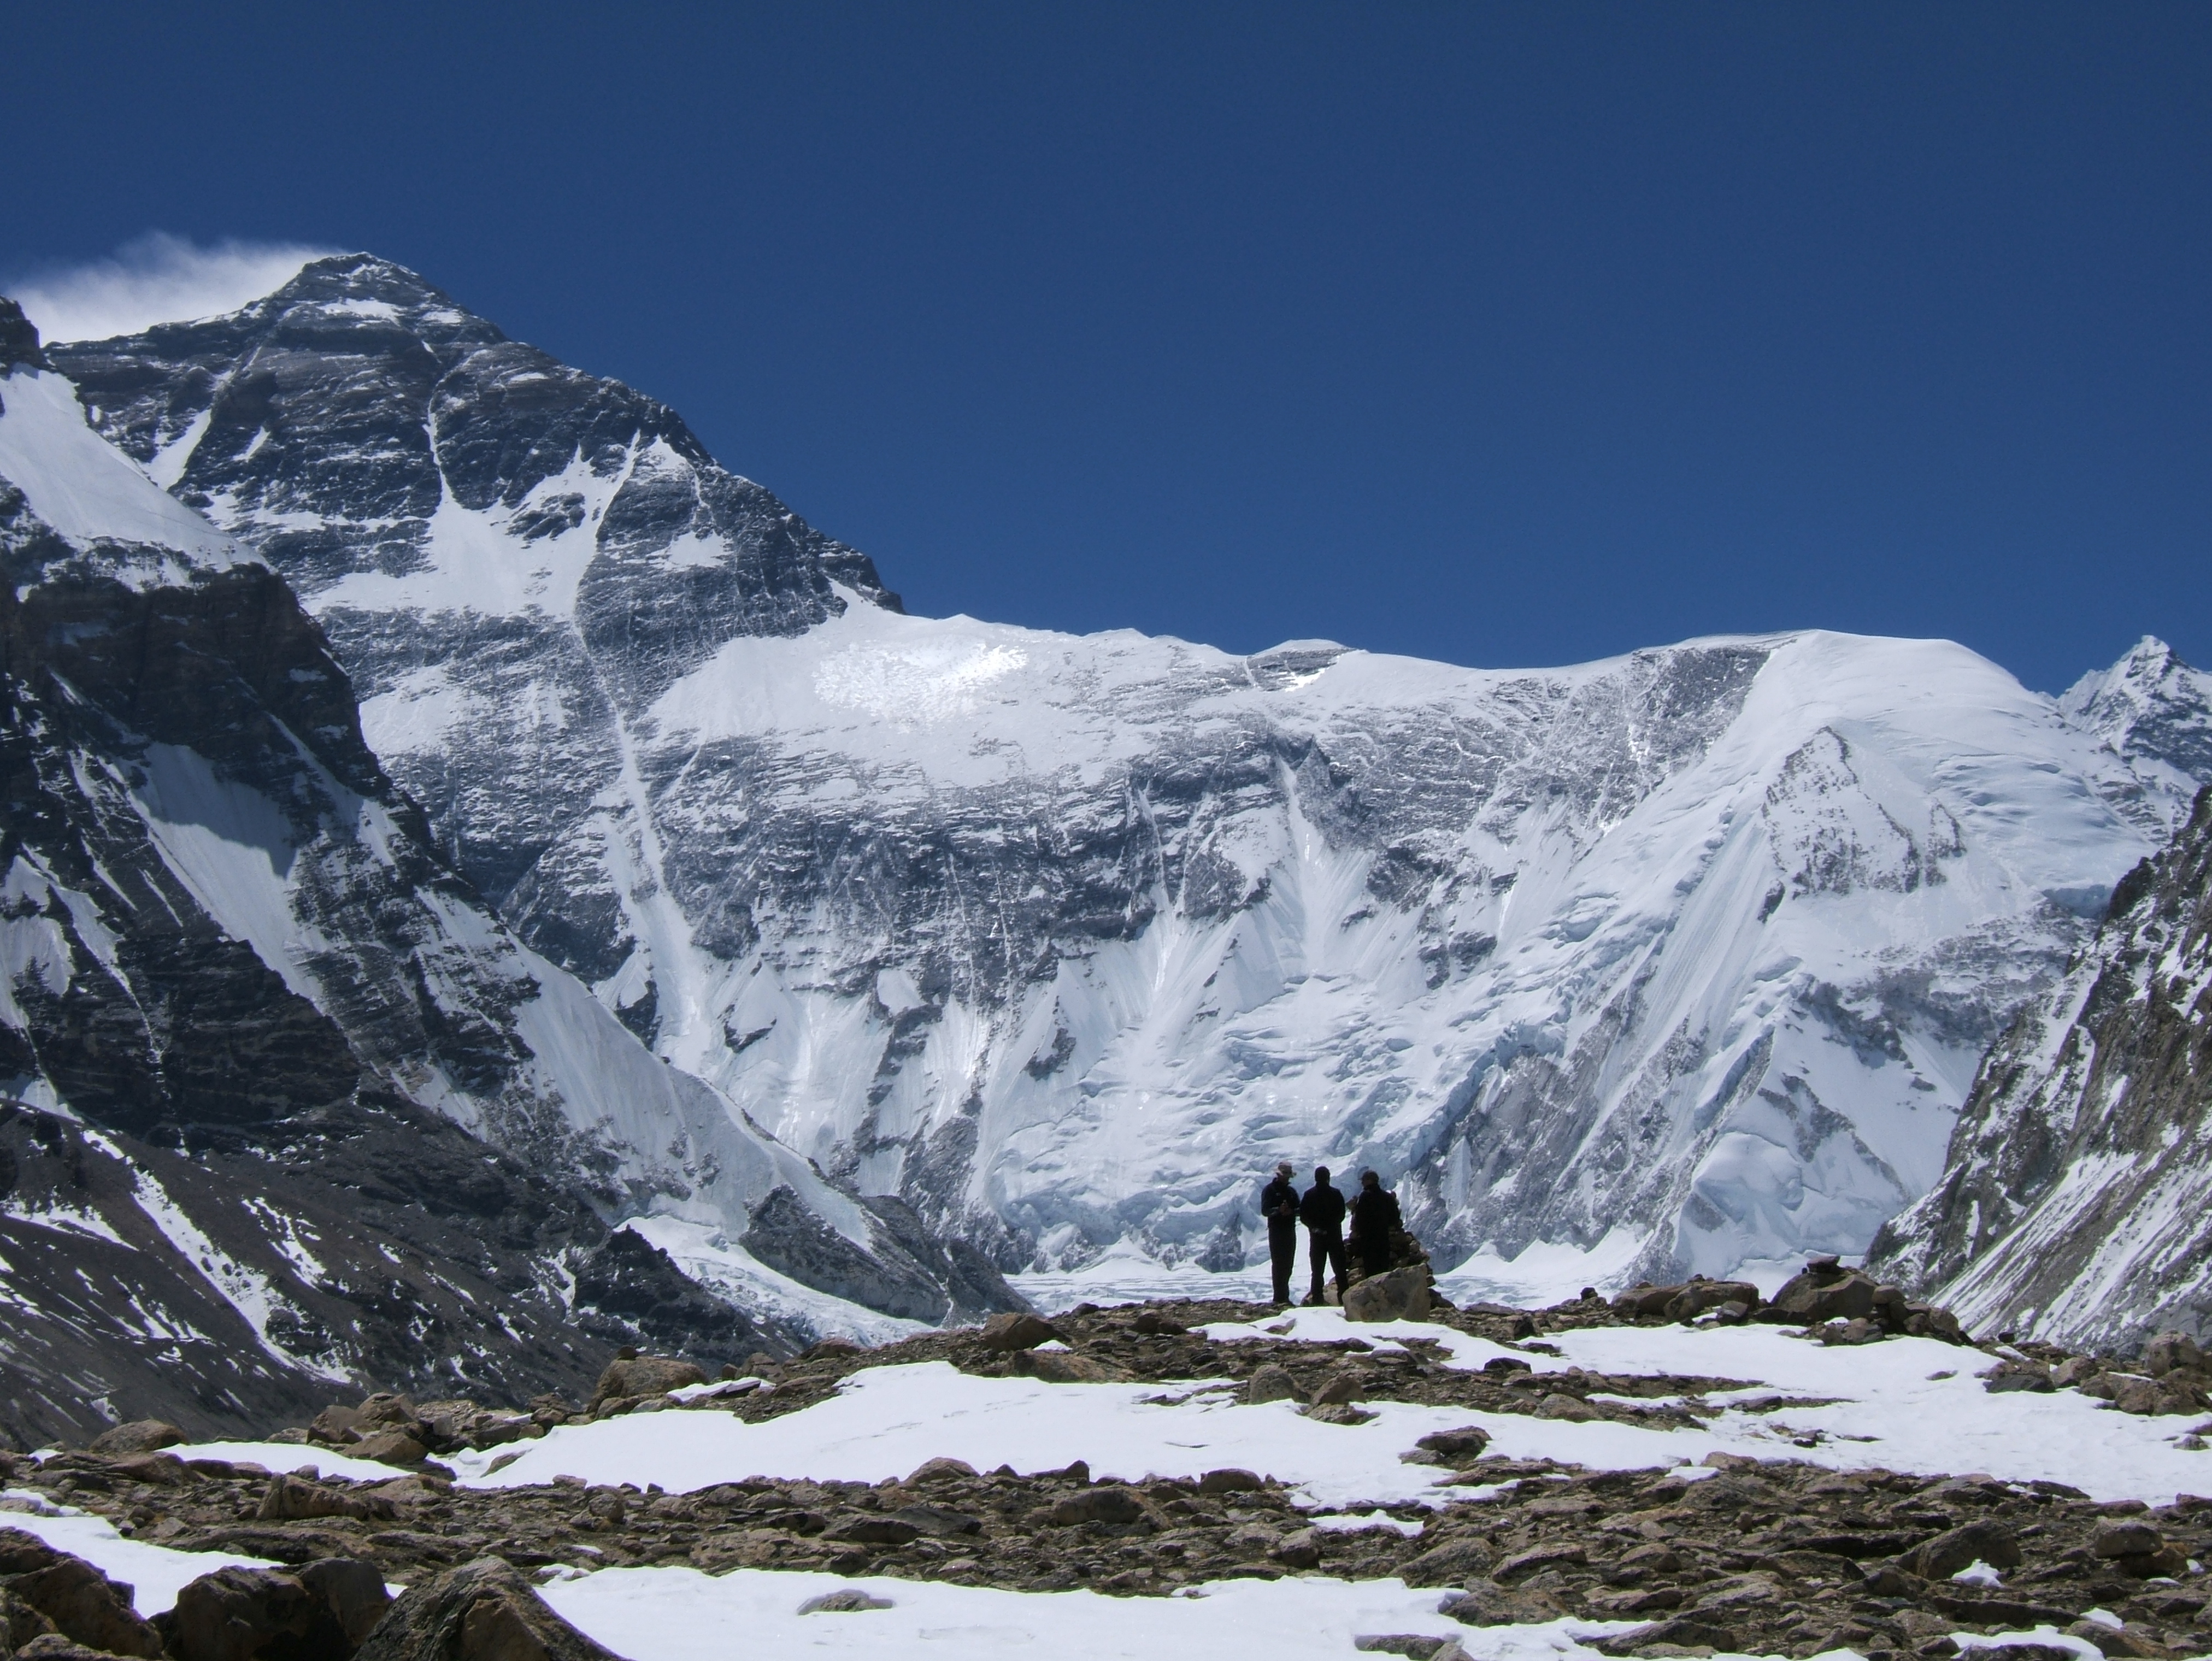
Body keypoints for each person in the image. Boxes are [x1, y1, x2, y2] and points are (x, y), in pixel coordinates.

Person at [1298, 1165, 1349, 1305]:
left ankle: (1317, 1299)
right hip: (1334, 1236)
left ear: (1316, 1178)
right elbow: (1341, 1214)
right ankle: (1343, 1298)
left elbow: (1303, 1216)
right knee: (1340, 1270)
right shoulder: (1336, 1194)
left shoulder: (1309, 1195)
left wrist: (1315, 1228)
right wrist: (1330, 1227)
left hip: (1317, 1238)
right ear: (1328, 1178)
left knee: (1317, 1271)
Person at [1258, 1161, 1301, 1305]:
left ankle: (1284, 1296)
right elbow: (1265, 1210)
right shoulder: (1269, 1190)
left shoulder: (1291, 1192)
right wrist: (1278, 1211)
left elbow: (1300, 1209)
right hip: (1276, 1231)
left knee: (1288, 1263)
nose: (1287, 1179)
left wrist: (1291, 1212)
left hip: (1289, 1230)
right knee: (1278, 1263)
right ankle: (1279, 1297)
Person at [1348, 1168, 1403, 1277]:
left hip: (1368, 1239)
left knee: (1371, 1270)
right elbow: (1395, 1218)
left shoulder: (1364, 1197)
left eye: (1364, 1180)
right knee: (1383, 1268)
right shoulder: (1387, 1197)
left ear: (1369, 1181)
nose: (1362, 1183)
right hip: (1383, 1237)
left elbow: (1359, 1218)